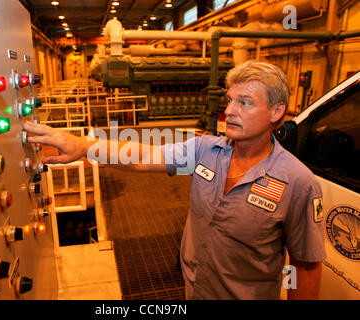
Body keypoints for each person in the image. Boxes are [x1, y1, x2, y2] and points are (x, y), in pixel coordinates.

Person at [24, 61, 326, 300]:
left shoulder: (298, 182)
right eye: (230, 100)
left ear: (276, 111)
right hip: (194, 289)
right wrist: (83, 146)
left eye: (244, 103)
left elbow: (305, 268)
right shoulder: (206, 150)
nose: (230, 110)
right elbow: (143, 156)